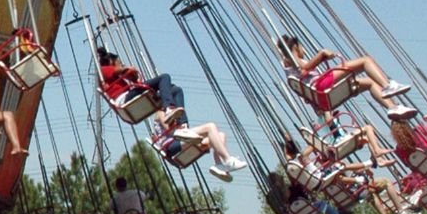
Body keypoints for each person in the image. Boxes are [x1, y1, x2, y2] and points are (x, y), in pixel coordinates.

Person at [278, 35, 411, 115]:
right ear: (295, 47)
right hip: (320, 86)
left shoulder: (294, 62)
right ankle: (388, 85)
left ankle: (393, 107)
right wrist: (321, 54)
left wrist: (321, 58)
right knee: (365, 61)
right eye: (302, 47)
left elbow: (305, 69)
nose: (304, 51)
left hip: (322, 94)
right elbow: (304, 69)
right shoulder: (288, 59)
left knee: (369, 83)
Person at [154, 109, 249, 182]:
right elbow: (170, 130)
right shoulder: (160, 113)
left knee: (221, 135)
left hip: (181, 141)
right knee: (210, 127)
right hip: (171, 144)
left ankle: (219, 165)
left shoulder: (172, 115)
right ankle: (228, 160)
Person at [97, 47, 184, 125]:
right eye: (119, 62)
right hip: (125, 99)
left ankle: (183, 125)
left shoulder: (115, 77)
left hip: (131, 95)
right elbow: (121, 70)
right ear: (112, 62)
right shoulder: (104, 70)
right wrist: (128, 69)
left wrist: (132, 76)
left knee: (176, 91)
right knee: (164, 77)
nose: (121, 64)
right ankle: (168, 107)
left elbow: (132, 78)